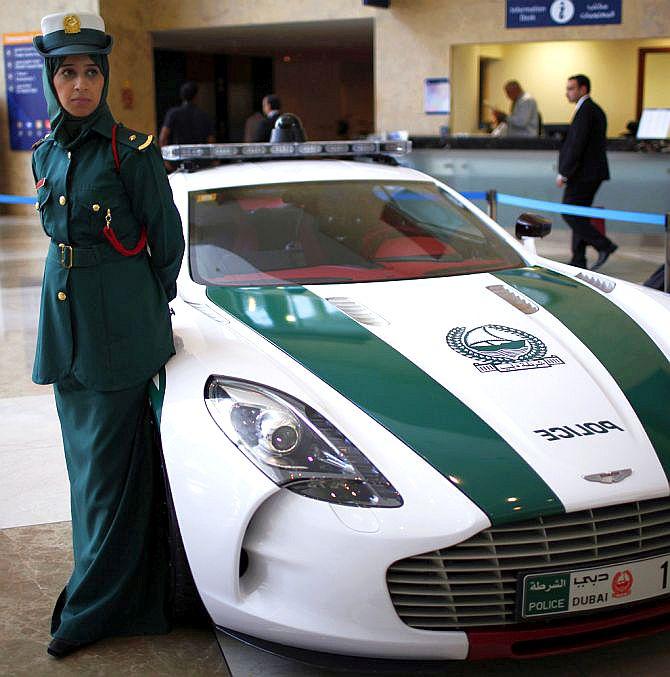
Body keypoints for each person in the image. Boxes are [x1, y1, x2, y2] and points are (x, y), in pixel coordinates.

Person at [31, 11, 185, 658]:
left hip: (119, 332)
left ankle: (96, 607)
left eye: (91, 71)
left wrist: (146, 312)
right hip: (66, 333)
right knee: (84, 470)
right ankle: (95, 583)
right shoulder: (44, 153)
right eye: (67, 72)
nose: (80, 84)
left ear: (105, 78)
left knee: (110, 478)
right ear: (51, 79)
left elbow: (166, 246)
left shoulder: (133, 152)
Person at [556, 74, 617, 269]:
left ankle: (604, 245)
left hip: (585, 174)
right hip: (588, 173)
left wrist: (564, 172)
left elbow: (577, 145)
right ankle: (578, 259)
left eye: (571, 88)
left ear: (583, 89)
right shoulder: (588, 109)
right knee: (578, 214)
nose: (567, 93)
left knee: (570, 212)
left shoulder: (587, 111)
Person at [158, 80, 215, 146]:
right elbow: (211, 141)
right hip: (198, 153)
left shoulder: (173, 113)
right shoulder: (204, 116)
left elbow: (163, 138)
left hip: (179, 154)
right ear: (196, 96)